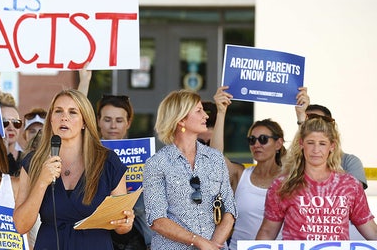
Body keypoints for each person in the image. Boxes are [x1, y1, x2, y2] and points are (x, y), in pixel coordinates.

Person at [14, 89, 134, 250]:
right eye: (58, 111)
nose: (64, 117)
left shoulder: (108, 161)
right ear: (50, 119)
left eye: (72, 112)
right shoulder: (33, 162)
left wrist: (125, 222)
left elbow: (121, 226)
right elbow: (21, 226)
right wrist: (41, 182)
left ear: (85, 122)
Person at [256, 115, 377, 240]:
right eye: (310, 143)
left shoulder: (350, 185)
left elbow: (370, 229)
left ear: (332, 146)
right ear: (301, 143)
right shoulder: (282, 185)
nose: (316, 150)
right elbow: (267, 231)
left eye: (322, 143)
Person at [143, 89, 236, 250]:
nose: (206, 116)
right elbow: (157, 219)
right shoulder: (156, 163)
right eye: (199, 111)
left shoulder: (216, 158)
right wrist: (200, 242)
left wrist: (213, 245)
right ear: (181, 120)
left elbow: (230, 209)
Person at [211, 86, 287, 249]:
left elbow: (311, 153)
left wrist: (301, 116)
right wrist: (221, 112)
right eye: (252, 140)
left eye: (263, 139)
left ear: (278, 143)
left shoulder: (289, 179)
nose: (257, 144)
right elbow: (215, 157)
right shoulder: (241, 174)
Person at [96, 94, 150, 250]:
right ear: (98, 120)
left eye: (119, 121)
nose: (113, 126)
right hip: (99, 233)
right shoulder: (87, 154)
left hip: (136, 234)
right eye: (107, 120)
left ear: (128, 123)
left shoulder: (144, 154)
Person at [294, 91, 368, 189]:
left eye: (319, 121)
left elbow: (353, 195)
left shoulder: (349, 161)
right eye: (308, 122)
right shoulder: (293, 162)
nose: (314, 127)